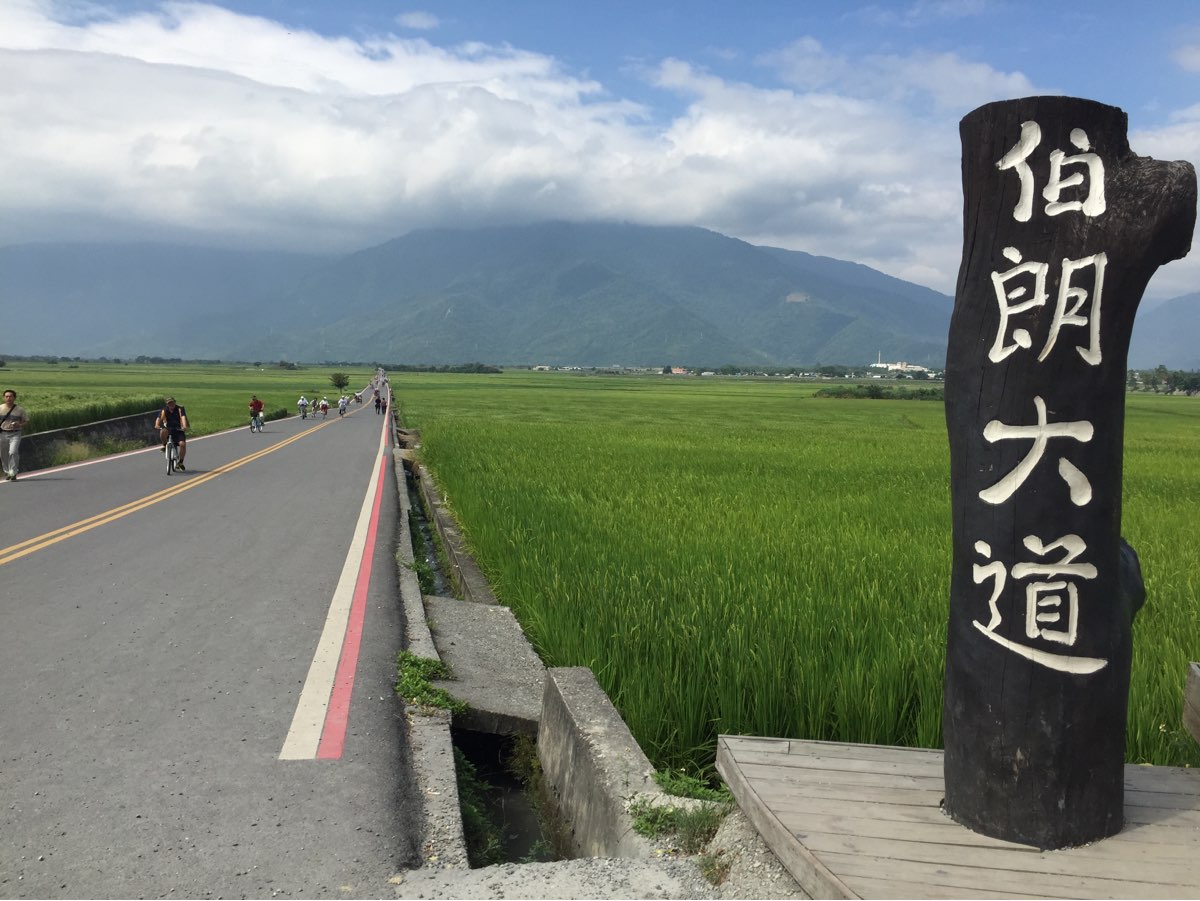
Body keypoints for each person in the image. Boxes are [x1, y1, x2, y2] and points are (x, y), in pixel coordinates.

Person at [0, 389, 29, 481]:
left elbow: (26, 421)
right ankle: (7, 471)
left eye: (10, 396)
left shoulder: (19, 409)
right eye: (6, 396)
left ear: (14, 398)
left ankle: (13, 471)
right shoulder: (0, 408)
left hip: (15, 433)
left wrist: (19, 425)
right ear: (4, 397)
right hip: (2, 433)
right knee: (3, 454)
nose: (8, 398)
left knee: (13, 452)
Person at [154, 396, 189, 471]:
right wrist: (157, 424)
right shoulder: (164, 410)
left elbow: (183, 417)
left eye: (172, 402)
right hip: (168, 429)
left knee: (182, 444)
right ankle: (164, 445)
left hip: (179, 429)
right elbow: (158, 418)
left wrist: (184, 426)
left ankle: (180, 462)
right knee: (162, 431)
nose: (171, 404)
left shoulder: (180, 408)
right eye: (169, 403)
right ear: (167, 404)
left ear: (175, 402)